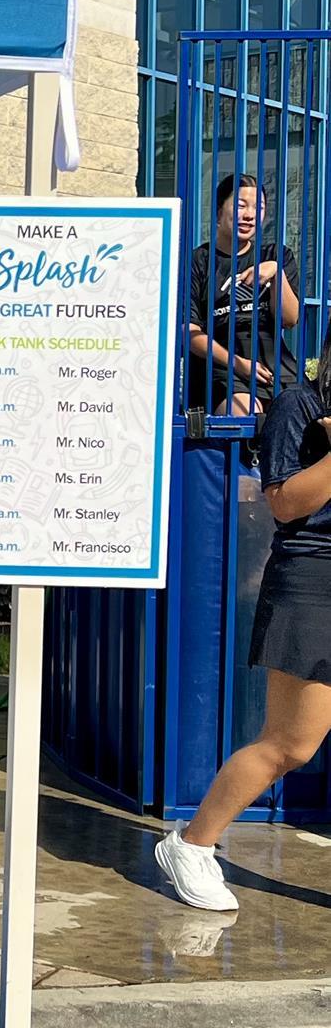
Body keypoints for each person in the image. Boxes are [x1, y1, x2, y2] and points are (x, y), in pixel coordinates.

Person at [156, 344, 331, 910]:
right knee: (290, 744)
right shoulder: (300, 405)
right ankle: (190, 844)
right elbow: (284, 504)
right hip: (314, 583)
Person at [187, 174, 300, 417]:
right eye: (240, 206)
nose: (249, 215)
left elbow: (290, 319)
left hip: (274, 366)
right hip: (220, 368)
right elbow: (190, 332)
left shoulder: (276, 255)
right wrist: (237, 363)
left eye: (258, 208)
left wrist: (276, 273)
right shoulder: (198, 261)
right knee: (247, 414)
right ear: (219, 212)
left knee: (302, 413)